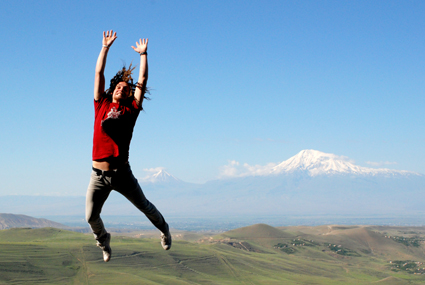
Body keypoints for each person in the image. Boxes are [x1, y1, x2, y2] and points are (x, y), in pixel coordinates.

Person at [85, 30, 171, 262]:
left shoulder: (131, 110)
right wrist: (105, 48)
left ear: (129, 93)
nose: (121, 89)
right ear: (112, 89)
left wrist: (144, 55)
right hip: (97, 175)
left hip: (122, 173)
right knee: (91, 216)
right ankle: (104, 241)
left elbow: (142, 82)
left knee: (144, 206)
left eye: (126, 88)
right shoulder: (100, 103)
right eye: (118, 87)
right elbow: (98, 73)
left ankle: (164, 229)